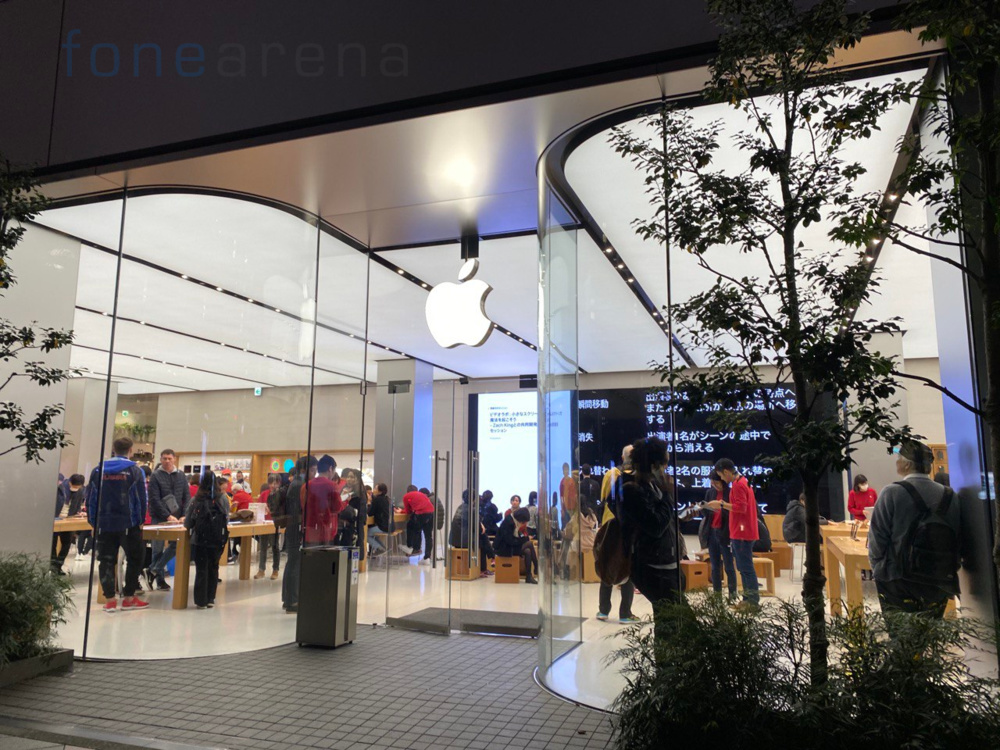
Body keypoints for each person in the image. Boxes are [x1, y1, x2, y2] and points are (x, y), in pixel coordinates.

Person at [868, 441, 965, 619]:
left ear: (907, 464)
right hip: (938, 579)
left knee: (902, 639)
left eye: (898, 458)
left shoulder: (891, 493)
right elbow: (959, 538)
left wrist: (879, 570)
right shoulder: (951, 496)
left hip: (897, 578)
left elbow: (877, 539)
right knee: (927, 634)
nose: (896, 462)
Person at [619, 437, 684, 630]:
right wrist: (667, 494)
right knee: (671, 625)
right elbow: (655, 526)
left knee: (671, 625)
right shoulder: (632, 490)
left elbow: (661, 521)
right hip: (653, 568)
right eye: (664, 462)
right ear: (655, 465)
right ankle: (665, 661)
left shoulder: (651, 486)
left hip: (667, 564)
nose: (666, 467)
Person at [86, 437, 149, 613]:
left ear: (113, 449)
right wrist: (140, 520)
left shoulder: (98, 470)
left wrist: (93, 521)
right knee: (135, 558)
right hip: (129, 523)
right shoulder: (135, 470)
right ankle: (129, 597)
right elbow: (141, 498)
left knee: (105, 560)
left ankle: (110, 600)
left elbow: (90, 496)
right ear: (130, 450)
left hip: (104, 523)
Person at [707, 458, 759, 609]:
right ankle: (747, 600)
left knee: (746, 568)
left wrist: (721, 504)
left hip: (742, 532)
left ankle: (752, 602)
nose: (722, 480)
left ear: (726, 472)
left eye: (721, 476)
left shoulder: (738, 485)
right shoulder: (742, 481)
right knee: (743, 568)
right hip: (741, 531)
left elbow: (741, 508)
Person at [597, 444, 637, 623]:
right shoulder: (639, 476)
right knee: (629, 567)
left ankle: (603, 611)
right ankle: (625, 613)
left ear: (622, 458)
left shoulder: (610, 474)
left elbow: (604, 497)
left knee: (608, 563)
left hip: (609, 526)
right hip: (629, 528)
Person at [145, 448, 190, 592]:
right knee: (157, 549)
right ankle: (160, 581)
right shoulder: (155, 476)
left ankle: (152, 570)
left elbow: (186, 497)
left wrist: (184, 515)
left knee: (176, 544)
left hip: (178, 519)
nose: (167, 461)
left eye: (169, 458)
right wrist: (167, 516)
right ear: (160, 459)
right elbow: (154, 499)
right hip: (160, 518)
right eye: (164, 458)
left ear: (174, 459)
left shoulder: (181, 475)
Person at [185, 471, 230, 609]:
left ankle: (200, 600)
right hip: (216, 539)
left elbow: (188, 522)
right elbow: (226, 518)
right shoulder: (222, 498)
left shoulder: (196, 499)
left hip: (199, 539)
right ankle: (211, 597)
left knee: (201, 569)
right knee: (213, 567)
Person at [282, 456, 316, 613]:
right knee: (295, 564)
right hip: (296, 528)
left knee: (292, 563)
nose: (315, 473)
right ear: (305, 469)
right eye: (313, 470)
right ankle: (293, 600)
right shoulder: (299, 485)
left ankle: (289, 598)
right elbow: (297, 511)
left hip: (293, 527)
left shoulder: (296, 483)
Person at [699, 471, 737, 600]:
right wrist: (704, 507)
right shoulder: (710, 493)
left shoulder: (731, 492)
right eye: (712, 483)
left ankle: (732, 596)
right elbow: (707, 515)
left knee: (729, 566)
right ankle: (717, 597)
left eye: (716, 483)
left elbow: (734, 511)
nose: (714, 485)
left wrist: (721, 507)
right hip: (712, 532)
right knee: (715, 567)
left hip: (725, 532)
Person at [302, 455, 344, 547]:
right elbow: (337, 508)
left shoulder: (306, 486)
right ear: (330, 468)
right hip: (326, 532)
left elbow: (303, 505)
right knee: (325, 560)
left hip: (309, 531)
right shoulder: (332, 486)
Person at [51, 473, 86, 575]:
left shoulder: (80, 490)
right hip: (56, 518)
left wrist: (79, 511)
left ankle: (58, 566)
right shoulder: (60, 488)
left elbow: (78, 504)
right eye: (74, 486)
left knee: (66, 543)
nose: (75, 489)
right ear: (70, 482)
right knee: (52, 543)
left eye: (77, 487)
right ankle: (53, 567)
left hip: (69, 519)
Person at [495, 507, 538, 583]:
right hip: (504, 548)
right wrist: (524, 539)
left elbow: (517, 535)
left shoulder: (512, 520)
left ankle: (529, 576)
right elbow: (510, 540)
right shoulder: (509, 523)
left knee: (528, 551)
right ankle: (536, 567)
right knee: (529, 544)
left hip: (509, 546)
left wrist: (524, 538)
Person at [401, 484, 435, 565]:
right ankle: (427, 558)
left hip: (421, 514)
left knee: (411, 526)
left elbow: (408, 511)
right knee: (428, 536)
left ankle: (412, 547)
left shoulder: (406, 496)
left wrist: (401, 511)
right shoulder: (422, 495)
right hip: (431, 513)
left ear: (407, 491)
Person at [255, 478, 281, 579]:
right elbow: (258, 506)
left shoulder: (280, 494)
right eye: (271, 483)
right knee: (263, 547)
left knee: (275, 547)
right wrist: (263, 508)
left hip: (274, 523)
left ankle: (275, 570)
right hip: (264, 523)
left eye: (275, 483)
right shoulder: (264, 494)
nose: (273, 485)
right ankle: (261, 570)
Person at [367, 483, 393, 556]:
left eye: (375, 488)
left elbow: (370, 513)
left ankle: (379, 548)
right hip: (390, 526)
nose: (373, 490)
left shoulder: (377, 500)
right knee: (373, 534)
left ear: (380, 491)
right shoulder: (387, 499)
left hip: (383, 526)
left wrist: (369, 502)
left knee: (365, 534)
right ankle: (383, 548)